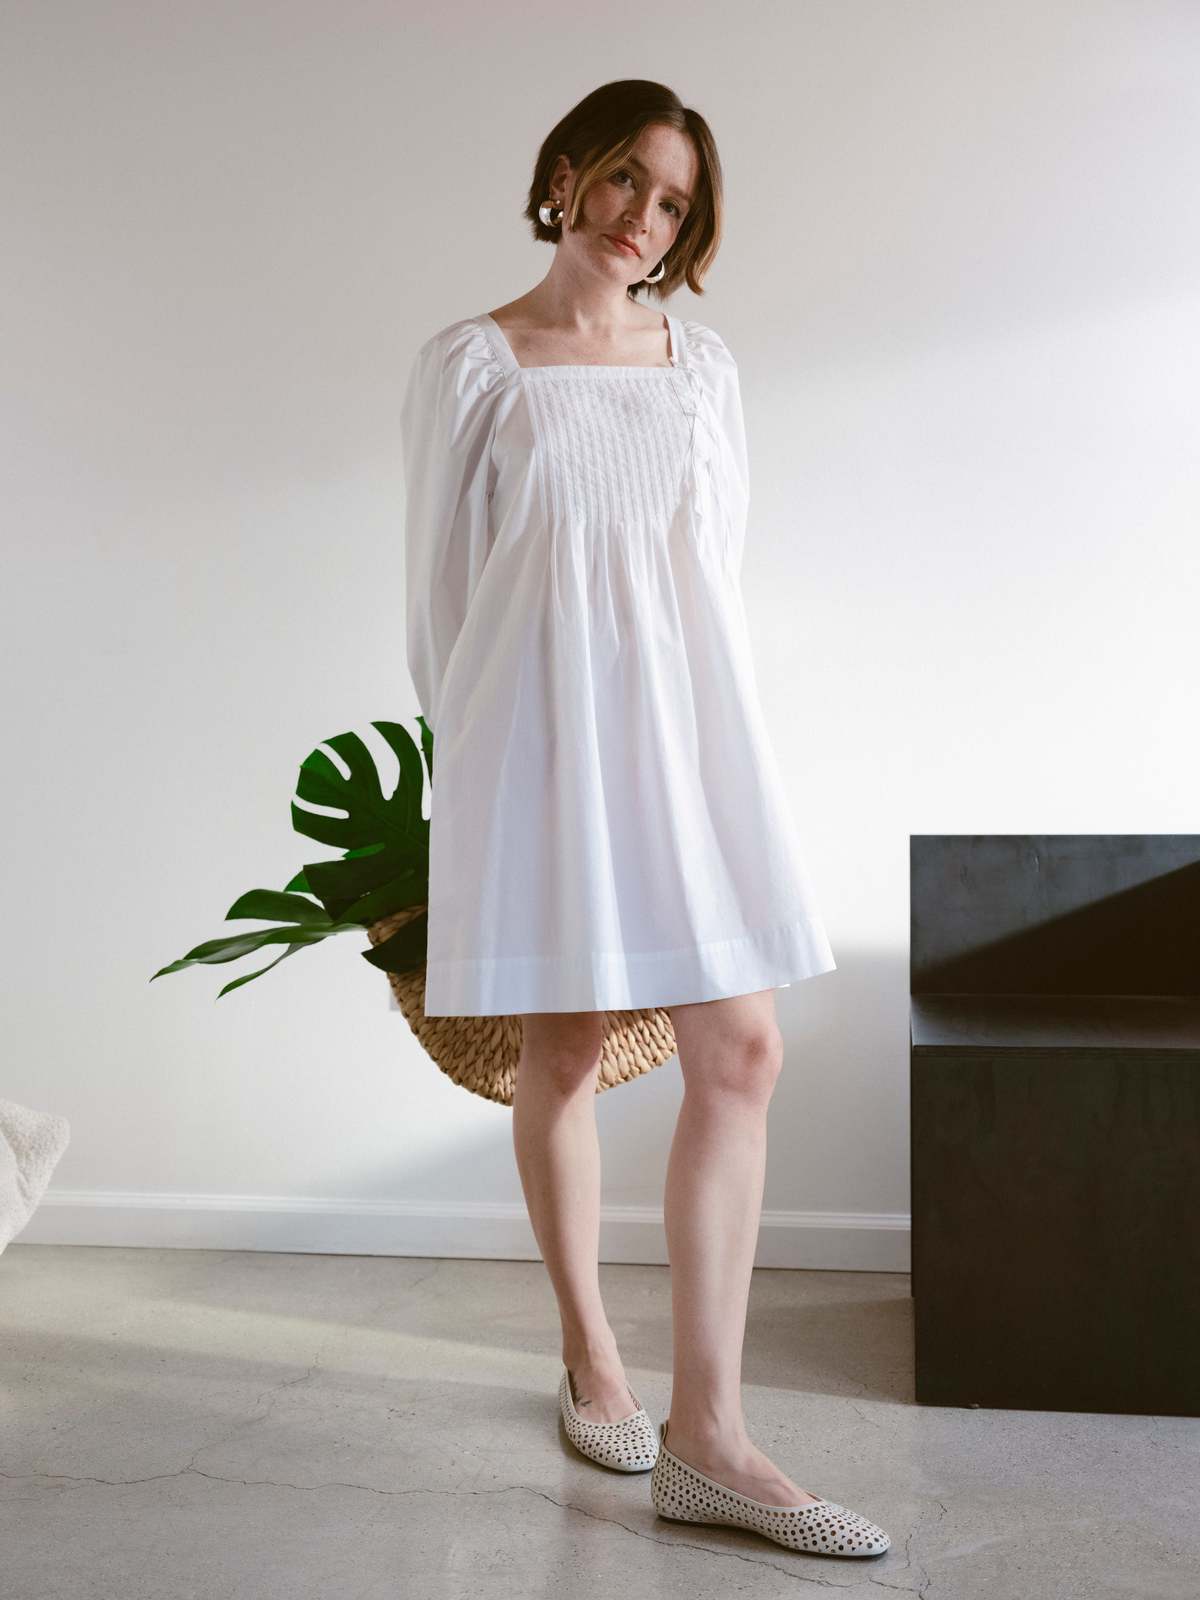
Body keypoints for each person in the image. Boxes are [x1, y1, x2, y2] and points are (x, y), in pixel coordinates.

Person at [400, 79, 890, 1559]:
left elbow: (709, 573)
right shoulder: (476, 366)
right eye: (624, 180)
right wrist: (486, 777)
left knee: (741, 1049)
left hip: (688, 742)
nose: (642, 218)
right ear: (565, 173)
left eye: (673, 202)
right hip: (541, 744)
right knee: (561, 1053)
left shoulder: (700, 369)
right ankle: (592, 1355)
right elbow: (442, 603)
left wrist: (698, 738)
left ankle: (709, 1436)